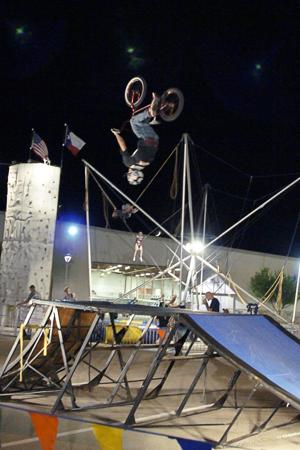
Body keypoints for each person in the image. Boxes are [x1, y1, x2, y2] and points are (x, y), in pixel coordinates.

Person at [111, 93, 160, 185]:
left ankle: (163, 107)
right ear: (130, 173)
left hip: (155, 139)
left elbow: (150, 153)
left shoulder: (145, 164)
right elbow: (122, 144)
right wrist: (116, 134)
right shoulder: (128, 163)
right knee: (133, 121)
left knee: (143, 122)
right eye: (128, 173)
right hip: (146, 138)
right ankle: (151, 111)